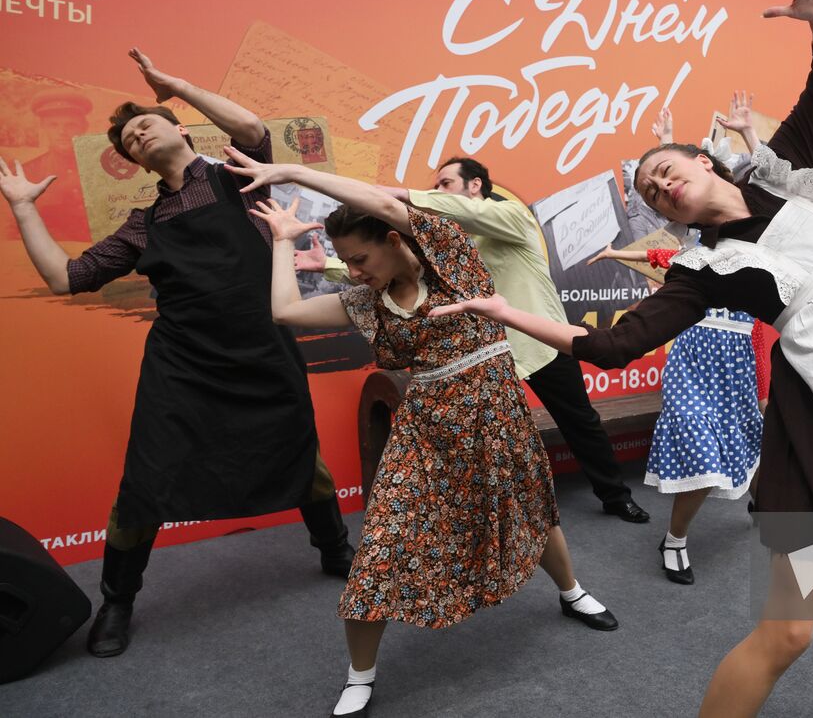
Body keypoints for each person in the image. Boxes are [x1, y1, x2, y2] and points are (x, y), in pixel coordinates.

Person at [430, 0, 813, 718]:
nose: (659, 184)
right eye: (648, 189)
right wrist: (509, 312)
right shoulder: (699, 269)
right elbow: (613, 346)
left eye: (666, 168)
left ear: (706, 162)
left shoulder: (782, 173)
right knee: (786, 634)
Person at [222, 153, 618, 718]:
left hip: (496, 417)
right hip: (424, 435)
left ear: (393, 239)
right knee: (381, 548)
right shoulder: (365, 302)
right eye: (346, 262)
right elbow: (285, 311)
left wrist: (294, 172)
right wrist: (283, 239)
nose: (353, 271)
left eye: (360, 258)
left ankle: (571, 590)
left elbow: (389, 203)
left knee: (532, 509)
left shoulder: (452, 263)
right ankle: (361, 675)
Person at [0, 50, 353, 659]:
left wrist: (177, 85)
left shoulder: (237, 176)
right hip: (182, 364)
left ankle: (334, 549)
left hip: (262, 349)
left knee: (300, 452)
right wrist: (24, 207)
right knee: (145, 481)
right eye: (129, 137)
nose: (136, 132)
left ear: (181, 127)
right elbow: (66, 277)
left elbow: (255, 131)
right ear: (133, 161)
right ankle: (117, 601)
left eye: (146, 121)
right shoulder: (143, 224)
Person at [300, 159, 649, 524]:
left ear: (475, 186)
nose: (436, 193)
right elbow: (394, 271)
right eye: (434, 187)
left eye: (445, 184)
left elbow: (461, 213)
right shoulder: (442, 245)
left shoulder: (512, 216)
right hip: (481, 354)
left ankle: (615, 496)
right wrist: (326, 266)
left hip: (537, 343)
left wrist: (405, 196)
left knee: (580, 422)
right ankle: (487, 521)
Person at [586, 96, 766, 585]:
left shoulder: (753, 222)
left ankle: (759, 497)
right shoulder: (682, 239)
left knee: (746, 432)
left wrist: (749, 135)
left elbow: (770, 177)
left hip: (737, 351)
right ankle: (676, 540)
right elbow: (654, 219)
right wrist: (662, 146)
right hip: (693, 349)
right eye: (657, 187)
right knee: (699, 440)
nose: (669, 190)